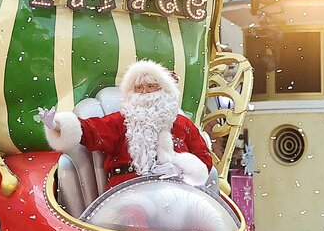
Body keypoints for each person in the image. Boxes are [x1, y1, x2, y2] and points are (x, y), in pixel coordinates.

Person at [40, 58, 213, 188]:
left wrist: (181, 170)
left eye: (150, 86)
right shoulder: (121, 121)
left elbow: (203, 158)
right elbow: (91, 131)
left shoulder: (182, 124)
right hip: (128, 192)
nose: (144, 92)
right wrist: (56, 125)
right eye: (138, 88)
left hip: (177, 191)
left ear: (163, 88)